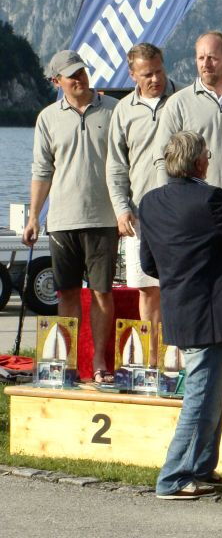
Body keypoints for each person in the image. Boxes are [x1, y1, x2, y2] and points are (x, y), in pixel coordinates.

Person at [139, 130, 222, 500]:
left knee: (213, 389)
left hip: (178, 305)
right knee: (201, 394)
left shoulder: (150, 202)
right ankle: (174, 476)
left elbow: (148, 264)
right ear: (199, 162)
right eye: (207, 156)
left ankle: (200, 467)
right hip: (209, 309)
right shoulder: (208, 198)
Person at [22, 50, 119, 385]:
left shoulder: (113, 109)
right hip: (62, 220)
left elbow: (126, 163)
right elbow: (41, 171)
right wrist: (33, 217)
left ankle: (99, 361)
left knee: (102, 292)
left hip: (105, 218)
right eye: (71, 75)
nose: (79, 79)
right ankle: (68, 362)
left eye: (82, 72)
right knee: (67, 293)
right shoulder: (47, 118)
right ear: (56, 81)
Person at [107, 43, 180, 366]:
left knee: (179, 288)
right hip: (140, 216)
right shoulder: (123, 110)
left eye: (159, 71)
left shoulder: (182, 99)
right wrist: (121, 208)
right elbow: (115, 165)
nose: (155, 79)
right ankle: (152, 362)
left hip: (179, 214)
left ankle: (177, 358)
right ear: (132, 74)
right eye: (147, 74)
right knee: (148, 289)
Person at [155, 31, 222, 198]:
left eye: (212, 58)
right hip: (195, 202)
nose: (206, 64)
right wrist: (167, 200)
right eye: (201, 58)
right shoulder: (178, 103)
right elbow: (163, 158)